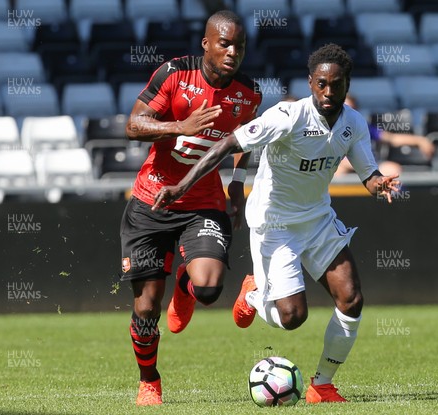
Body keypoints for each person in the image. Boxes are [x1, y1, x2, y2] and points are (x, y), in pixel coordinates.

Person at [151, 43, 400, 403]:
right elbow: (229, 144)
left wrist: (380, 185)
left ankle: (323, 385)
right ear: (311, 83)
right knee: (292, 317)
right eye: (321, 84)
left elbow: (368, 173)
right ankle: (253, 294)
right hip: (275, 223)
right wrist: (182, 185)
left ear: (347, 84)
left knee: (352, 299)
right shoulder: (287, 116)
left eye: (337, 84)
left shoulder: (354, 123)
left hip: (317, 220)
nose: (329, 92)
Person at [121, 10, 261, 406]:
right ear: (207, 44)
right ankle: (149, 380)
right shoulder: (175, 75)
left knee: (209, 288)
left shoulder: (249, 94)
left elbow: (246, 143)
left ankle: (186, 284)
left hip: (204, 204)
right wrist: (179, 127)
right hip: (152, 200)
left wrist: (236, 185)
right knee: (147, 307)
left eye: (240, 45)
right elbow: (133, 125)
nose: (233, 52)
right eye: (225, 43)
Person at [335, 94, 435, 176]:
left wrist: (420, 140)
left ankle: (392, 199)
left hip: (369, 167)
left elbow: (392, 138)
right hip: (344, 167)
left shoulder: (363, 127)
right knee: (337, 172)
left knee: (392, 170)